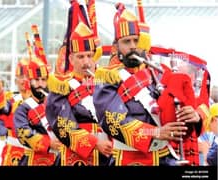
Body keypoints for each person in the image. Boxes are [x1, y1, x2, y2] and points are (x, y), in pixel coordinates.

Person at [93, 3, 201, 166]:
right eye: (126, 41)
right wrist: (155, 132)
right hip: (128, 159)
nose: (133, 46)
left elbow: (176, 113)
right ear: (116, 47)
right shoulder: (107, 77)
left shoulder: (160, 73)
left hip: (164, 156)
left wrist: (193, 117)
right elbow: (111, 119)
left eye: (136, 40)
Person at [45, 21, 113, 166]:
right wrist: (94, 143)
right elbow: (62, 125)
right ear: (71, 59)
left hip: (109, 154)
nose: (86, 62)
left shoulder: (106, 83)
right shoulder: (62, 87)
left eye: (89, 56)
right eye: (81, 57)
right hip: (76, 157)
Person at [13, 55, 62, 166]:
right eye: (36, 80)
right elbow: (22, 133)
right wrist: (48, 143)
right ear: (29, 82)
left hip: (59, 158)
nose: (40, 84)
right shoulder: (22, 108)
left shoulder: (56, 103)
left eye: (43, 80)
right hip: (34, 160)